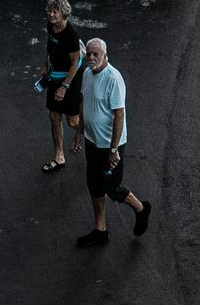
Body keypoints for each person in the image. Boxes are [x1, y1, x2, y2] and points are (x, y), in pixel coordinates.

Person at [76, 37, 151, 248]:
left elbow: (120, 115)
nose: (91, 57)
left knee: (112, 187)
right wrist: (78, 133)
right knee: (94, 185)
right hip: (92, 142)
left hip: (110, 147)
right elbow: (84, 103)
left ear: (105, 55)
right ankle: (100, 231)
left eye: (95, 54)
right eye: (89, 53)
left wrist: (114, 148)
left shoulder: (113, 79)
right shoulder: (87, 74)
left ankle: (141, 209)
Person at [38, 0, 84, 173]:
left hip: (70, 78)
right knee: (54, 117)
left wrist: (64, 87)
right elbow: (49, 47)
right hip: (55, 74)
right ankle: (59, 156)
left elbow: (75, 63)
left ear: (64, 13)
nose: (51, 14)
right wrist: (45, 65)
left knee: (73, 122)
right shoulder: (51, 26)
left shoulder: (71, 34)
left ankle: (97, 141)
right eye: (49, 10)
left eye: (55, 11)